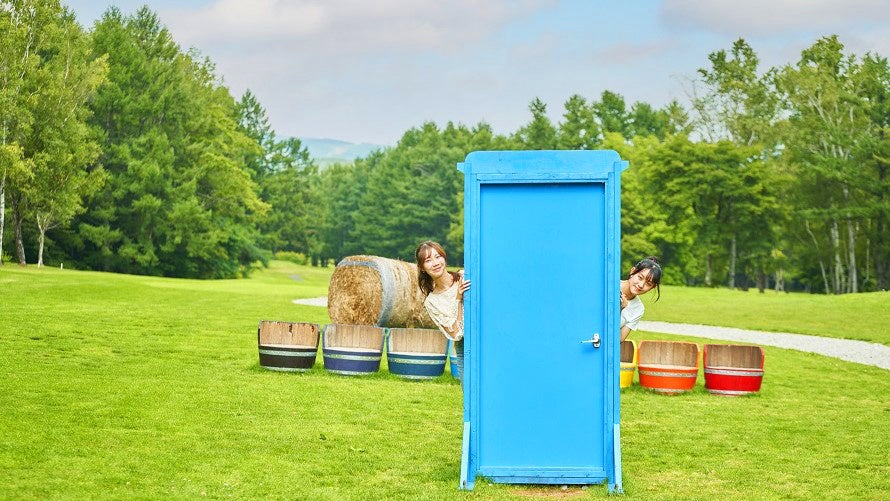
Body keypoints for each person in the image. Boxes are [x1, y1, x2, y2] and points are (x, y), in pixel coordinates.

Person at [415, 241, 471, 381]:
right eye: (428, 260)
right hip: (465, 352)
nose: (435, 263)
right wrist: (458, 298)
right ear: (422, 268)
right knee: (471, 401)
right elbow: (456, 334)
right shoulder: (432, 302)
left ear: (444, 258)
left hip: (488, 341)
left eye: (438, 256)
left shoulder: (465, 277)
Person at [620, 257, 662, 342]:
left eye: (648, 283)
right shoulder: (609, 286)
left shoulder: (638, 309)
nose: (641, 285)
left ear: (652, 288)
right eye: (640, 277)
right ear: (632, 272)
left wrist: (620, 310)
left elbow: (619, 339)